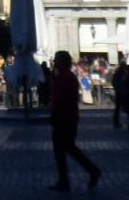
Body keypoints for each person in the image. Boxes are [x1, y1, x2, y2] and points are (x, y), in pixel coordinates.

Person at [48, 50, 102, 192]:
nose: (55, 63)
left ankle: (65, 180)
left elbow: (60, 99)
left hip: (63, 119)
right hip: (68, 118)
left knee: (61, 150)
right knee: (69, 148)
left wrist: (54, 114)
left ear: (62, 62)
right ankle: (91, 171)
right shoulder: (67, 76)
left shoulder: (65, 77)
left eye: (56, 60)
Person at [111, 64, 126, 128]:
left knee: (117, 108)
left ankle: (116, 121)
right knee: (118, 107)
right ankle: (116, 121)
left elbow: (113, 83)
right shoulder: (122, 74)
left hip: (118, 92)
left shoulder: (116, 74)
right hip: (120, 92)